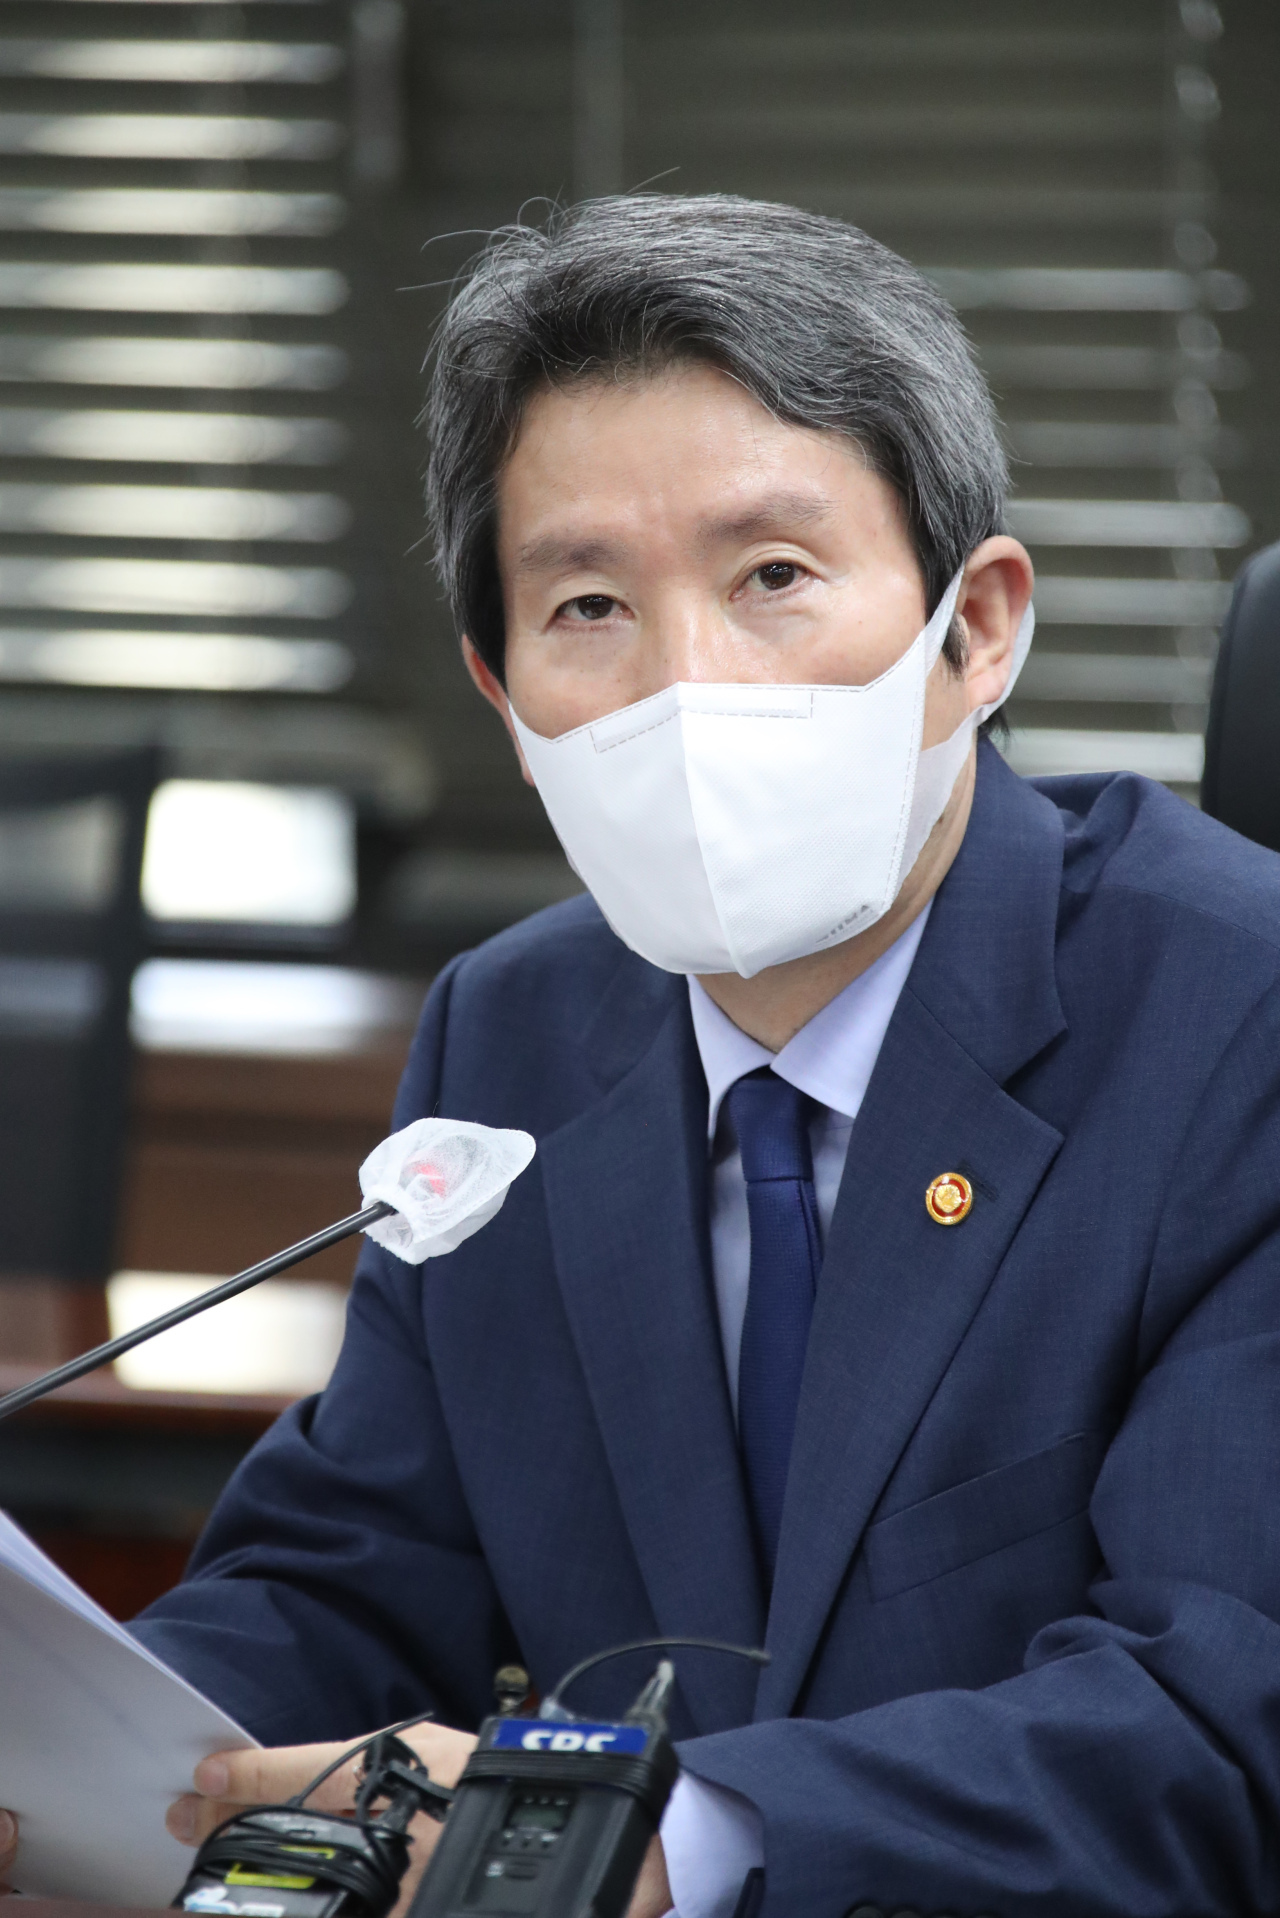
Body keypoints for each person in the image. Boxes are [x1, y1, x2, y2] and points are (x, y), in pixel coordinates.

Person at [14, 195, 1280, 1918]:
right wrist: (62, 1766)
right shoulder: (511, 1034)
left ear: (976, 632)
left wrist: (658, 1850)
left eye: (772, 576)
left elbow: (1212, 1720)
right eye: (590, 606)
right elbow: (353, 1577)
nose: (685, 686)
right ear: (508, 703)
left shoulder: (1235, 1014)